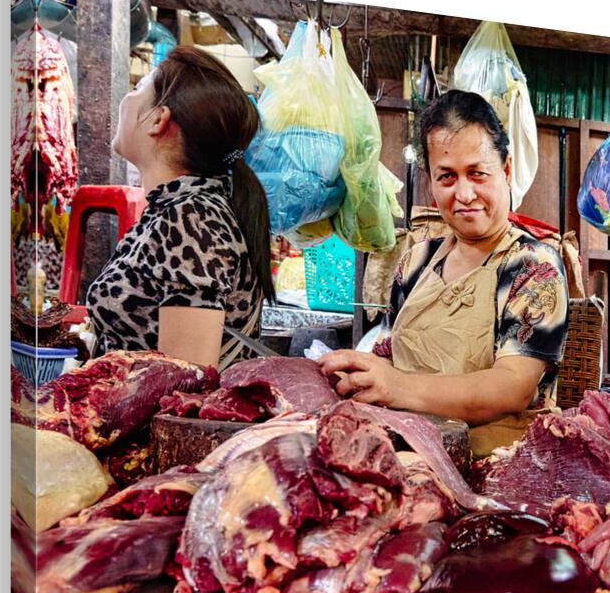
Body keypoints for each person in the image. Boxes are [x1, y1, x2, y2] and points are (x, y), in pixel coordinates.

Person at [319, 90, 569, 456]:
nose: (464, 194)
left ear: (507, 170)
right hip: (409, 452)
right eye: (447, 177)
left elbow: (513, 387)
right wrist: (359, 375)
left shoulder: (532, 266)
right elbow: (389, 356)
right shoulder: (416, 262)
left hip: (497, 465)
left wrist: (399, 387)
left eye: (477, 173)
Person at [86, 46, 275, 369]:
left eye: (137, 89)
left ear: (159, 120)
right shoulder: (174, 209)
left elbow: (185, 386)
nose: (126, 99)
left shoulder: (192, 219)